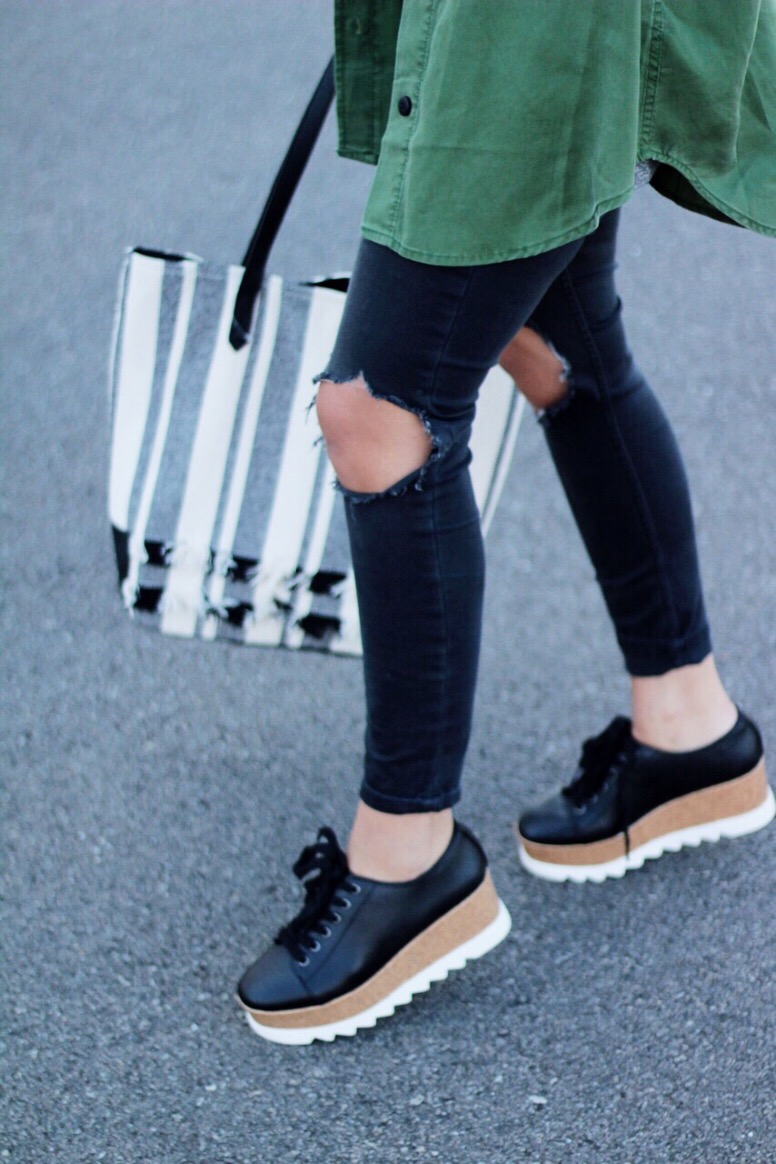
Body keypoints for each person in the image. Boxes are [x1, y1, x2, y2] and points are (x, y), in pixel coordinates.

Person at [236, 1, 776, 1045]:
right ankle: (689, 728)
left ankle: (407, 857)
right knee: (555, 339)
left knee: (378, 411)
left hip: (526, 26)